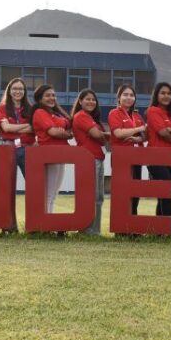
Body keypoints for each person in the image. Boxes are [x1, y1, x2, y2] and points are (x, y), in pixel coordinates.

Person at [0, 78, 35, 231]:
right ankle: (9, 227)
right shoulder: (2, 108)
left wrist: (15, 128)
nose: (17, 91)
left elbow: (34, 128)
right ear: (9, 90)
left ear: (25, 91)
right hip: (8, 147)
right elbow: (6, 129)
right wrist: (24, 127)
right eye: (14, 88)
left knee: (34, 186)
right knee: (7, 188)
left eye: (20, 89)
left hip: (27, 148)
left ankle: (34, 225)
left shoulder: (30, 108)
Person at [30, 84, 72, 213]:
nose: (51, 98)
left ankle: (49, 222)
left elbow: (69, 126)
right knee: (48, 193)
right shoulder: (40, 112)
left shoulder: (56, 113)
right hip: (49, 155)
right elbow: (53, 132)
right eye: (47, 95)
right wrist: (67, 134)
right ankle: (45, 224)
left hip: (61, 154)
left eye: (53, 95)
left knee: (54, 193)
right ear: (40, 99)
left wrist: (65, 132)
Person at [146, 82, 171, 232]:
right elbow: (162, 133)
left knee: (165, 194)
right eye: (163, 93)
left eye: (169, 93)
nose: (166, 96)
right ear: (157, 95)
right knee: (166, 190)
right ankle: (170, 227)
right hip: (155, 158)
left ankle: (159, 228)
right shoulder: (153, 111)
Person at [72, 89, 108, 235]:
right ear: (80, 101)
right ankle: (87, 229)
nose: (91, 102)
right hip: (89, 159)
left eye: (93, 99)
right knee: (91, 196)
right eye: (87, 99)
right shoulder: (81, 116)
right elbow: (98, 135)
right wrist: (103, 136)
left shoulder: (91, 118)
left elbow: (100, 136)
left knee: (99, 197)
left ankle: (95, 230)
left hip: (98, 158)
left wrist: (102, 136)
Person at [108, 84, 146, 218]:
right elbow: (118, 133)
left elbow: (144, 136)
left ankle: (133, 223)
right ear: (118, 98)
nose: (128, 97)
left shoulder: (137, 116)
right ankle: (121, 227)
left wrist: (138, 138)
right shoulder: (114, 113)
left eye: (131, 95)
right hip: (121, 157)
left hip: (136, 157)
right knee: (122, 191)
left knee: (135, 191)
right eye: (125, 95)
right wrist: (138, 130)